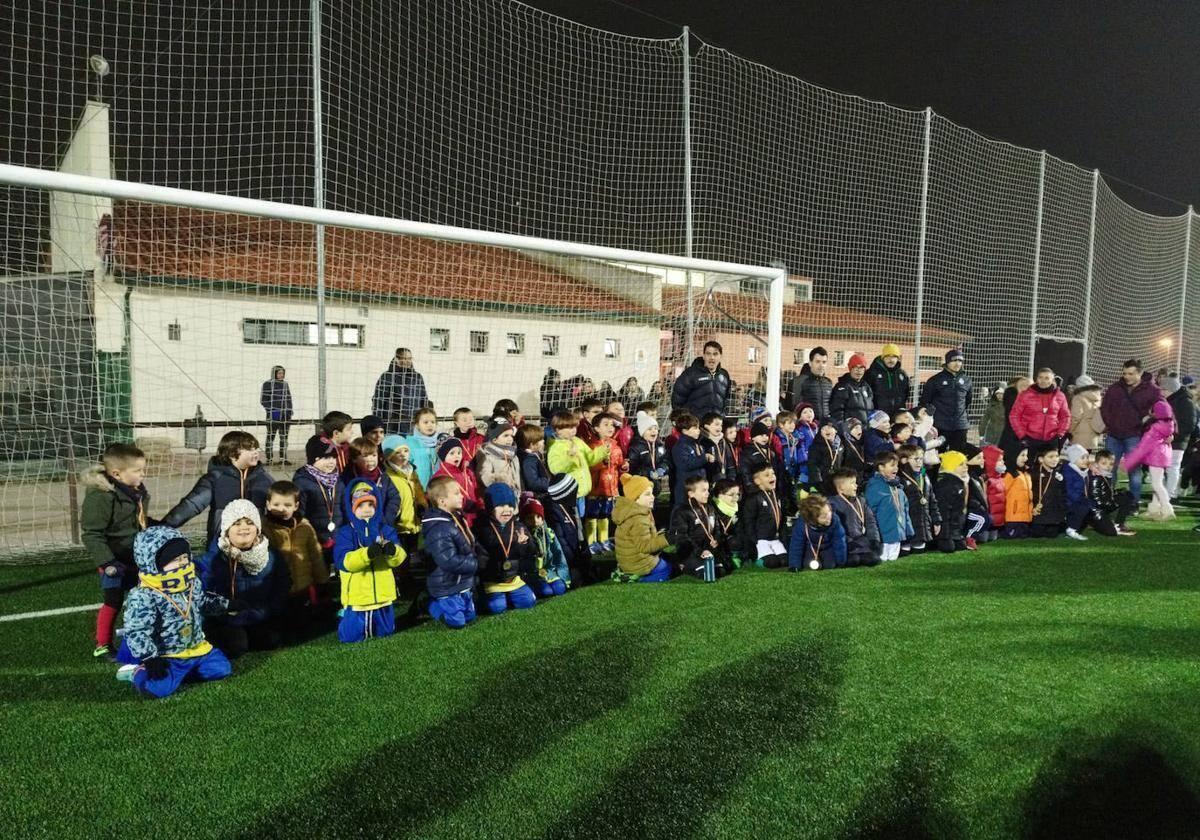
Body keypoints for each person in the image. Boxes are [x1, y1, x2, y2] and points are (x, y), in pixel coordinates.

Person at [116, 526, 232, 698]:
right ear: (154, 563)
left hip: (196, 648)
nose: (183, 563)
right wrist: (150, 657)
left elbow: (202, 602)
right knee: (156, 689)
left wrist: (226, 605)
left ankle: (181, 674)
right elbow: (137, 630)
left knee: (222, 669)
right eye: (175, 560)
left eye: (185, 557)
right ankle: (136, 672)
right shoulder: (144, 594)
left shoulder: (192, 582)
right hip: (167, 654)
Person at [82, 443, 150, 658]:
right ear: (117, 473)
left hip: (135, 556)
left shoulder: (135, 492)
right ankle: (103, 644)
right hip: (113, 561)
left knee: (144, 596)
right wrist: (107, 562)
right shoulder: (101, 495)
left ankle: (143, 636)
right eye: (137, 470)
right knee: (113, 600)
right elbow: (92, 533)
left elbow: (136, 523)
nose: (142, 474)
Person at [199, 500, 290, 657]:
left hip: (259, 615)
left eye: (249, 523)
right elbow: (203, 592)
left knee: (271, 640)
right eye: (236, 524)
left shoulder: (272, 556)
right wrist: (224, 613)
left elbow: (282, 587)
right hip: (226, 618)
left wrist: (264, 611)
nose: (244, 528)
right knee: (236, 645)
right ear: (227, 530)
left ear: (257, 528)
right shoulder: (214, 558)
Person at [162, 430, 274, 544]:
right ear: (232, 454)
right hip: (221, 545)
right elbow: (192, 505)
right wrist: (163, 526)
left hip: (255, 545)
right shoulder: (215, 478)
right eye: (249, 449)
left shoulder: (263, 478)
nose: (255, 452)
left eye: (256, 448)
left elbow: (279, 504)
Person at [333, 482, 406, 642]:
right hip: (358, 597)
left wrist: (392, 551)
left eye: (370, 504)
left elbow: (400, 558)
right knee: (350, 637)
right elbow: (343, 562)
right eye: (361, 506)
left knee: (386, 633)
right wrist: (367, 554)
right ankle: (344, 616)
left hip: (384, 594)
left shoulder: (385, 529)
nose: (367, 509)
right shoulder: (346, 532)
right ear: (351, 508)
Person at [261, 480, 328, 627]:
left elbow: (315, 555)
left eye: (287, 505)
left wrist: (322, 581)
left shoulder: (305, 526)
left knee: (305, 625)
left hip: (303, 586)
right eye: (276, 505)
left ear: (296, 506)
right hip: (278, 590)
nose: (282, 509)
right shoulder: (264, 528)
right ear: (268, 505)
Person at [1099, 359, 1162, 505]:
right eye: (1125, 373)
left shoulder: (1152, 390)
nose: (1127, 376)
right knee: (1108, 469)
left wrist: (1146, 427)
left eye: (1131, 373)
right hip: (1114, 435)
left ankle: (1133, 503)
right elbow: (1105, 408)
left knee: (1134, 472)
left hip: (1135, 436)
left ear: (1140, 373)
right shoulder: (1114, 388)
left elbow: (1162, 411)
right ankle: (1108, 501)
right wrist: (1111, 424)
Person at [422, 476, 480, 629]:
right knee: (457, 622)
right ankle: (430, 603)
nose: (462, 496)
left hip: (461, 581)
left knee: (470, 617)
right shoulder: (439, 529)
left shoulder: (456, 518)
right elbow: (448, 561)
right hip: (446, 584)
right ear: (442, 501)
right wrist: (476, 563)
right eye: (456, 493)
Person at [475, 483, 538, 614]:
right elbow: (492, 550)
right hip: (493, 581)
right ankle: (493, 598)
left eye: (510, 505)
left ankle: (510, 596)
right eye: (501, 506)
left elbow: (532, 550)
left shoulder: (519, 526)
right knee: (497, 607)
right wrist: (516, 545)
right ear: (490, 508)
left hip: (513, 578)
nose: (507, 510)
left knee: (529, 601)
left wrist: (525, 544)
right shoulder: (483, 528)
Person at [1122, 399, 1176, 520]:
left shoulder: (1154, 428)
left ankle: (1167, 509)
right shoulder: (1169, 424)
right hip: (1163, 455)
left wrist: (1128, 462)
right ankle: (1154, 509)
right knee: (1158, 482)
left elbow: (1142, 448)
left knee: (1156, 484)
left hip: (1156, 457)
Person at [668, 475, 731, 579]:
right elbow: (681, 537)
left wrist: (716, 540)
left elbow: (717, 529)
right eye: (703, 490)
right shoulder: (681, 511)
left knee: (722, 570)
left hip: (709, 550)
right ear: (691, 493)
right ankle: (681, 565)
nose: (708, 493)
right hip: (690, 551)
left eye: (708, 490)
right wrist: (699, 551)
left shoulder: (710, 507)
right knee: (706, 573)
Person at [546, 409, 608, 515]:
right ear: (558, 429)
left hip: (582, 491)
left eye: (574, 427)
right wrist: (569, 458)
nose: (573, 430)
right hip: (570, 492)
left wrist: (602, 451)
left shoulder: (577, 441)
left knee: (582, 517)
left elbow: (590, 459)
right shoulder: (555, 447)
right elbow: (555, 468)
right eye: (569, 427)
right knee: (575, 520)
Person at [613, 473, 673, 582]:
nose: (653, 497)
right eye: (647, 494)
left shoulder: (631, 512)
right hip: (639, 565)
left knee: (669, 558)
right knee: (669, 568)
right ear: (636, 498)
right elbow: (644, 546)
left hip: (630, 562)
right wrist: (668, 538)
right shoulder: (638, 519)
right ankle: (640, 579)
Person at [334, 437, 400, 527]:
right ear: (354, 459)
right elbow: (342, 504)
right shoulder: (346, 479)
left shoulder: (383, 477)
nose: (371, 459)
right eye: (365, 456)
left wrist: (386, 520)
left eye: (374, 455)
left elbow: (394, 497)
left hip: (380, 525)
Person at [293, 436, 341, 558]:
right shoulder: (303, 482)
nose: (331, 462)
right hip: (315, 539)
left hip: (338, 537)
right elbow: (300, 514)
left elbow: (344, 508)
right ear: (313, 459)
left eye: (334, 457)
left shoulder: (338, 480)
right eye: (326, 458)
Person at [585, 413, 624, 553]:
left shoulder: (615, 446)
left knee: (605, 514)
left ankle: (604, 540)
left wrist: (624, 465)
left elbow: (619, 463)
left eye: (612, 425)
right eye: (606, 425)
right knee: (593, 514)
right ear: (596, 428)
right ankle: (591, 542)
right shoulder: (592, 446)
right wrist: (602, 463)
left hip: (610, 488)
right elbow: (589, 464)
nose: (610, 428)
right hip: (596, 488)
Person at [920, 349, 973, 451]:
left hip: (960, 426)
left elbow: (967, 401)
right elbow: (925, 401)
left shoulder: (967, 380)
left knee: (958, 456)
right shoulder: (935, 380)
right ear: (947, 362)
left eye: (960, 360)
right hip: (940, 426)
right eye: (954, 360)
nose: (957, 363)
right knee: (937, 457)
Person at [739, 461, 789, 568]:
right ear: (757, 481)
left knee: (785, 561)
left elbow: (782, 520)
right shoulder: (753, 498)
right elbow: (749, 523)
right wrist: (755, 543)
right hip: (761, 541)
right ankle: (756, 559)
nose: (772, 477)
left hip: (775, 539)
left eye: (773, 474)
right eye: (767, 475)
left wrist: (783, 539)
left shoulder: (777, 496)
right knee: (773, 563)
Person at [1009, 367, 1071, 454]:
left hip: (1052, 439)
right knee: (1029, 466)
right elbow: (1014, 415)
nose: (1043, 380)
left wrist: (1060, 434)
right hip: (1029, 438)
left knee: (1050, 466)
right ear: (1036, 379)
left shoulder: (1060, 396)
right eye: (1040, 377)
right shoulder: (1025, 395)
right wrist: (1022, 435)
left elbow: (1065, 416)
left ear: (1052, 380)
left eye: (1046, 378)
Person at [865, 452, 912, 562]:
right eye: (892, 465)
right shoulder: (875, 486)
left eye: (897, 465)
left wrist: (908, 529)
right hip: (883, 535)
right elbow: (870, 511)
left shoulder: (898, 488)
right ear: (881, 467)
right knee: (882, 559)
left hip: (897, 533)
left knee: (893, 560)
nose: (896, 468)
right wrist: (873, 533)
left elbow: (905, 510)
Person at [828, 468, 881, 566]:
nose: (856, 486)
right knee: (854, 560)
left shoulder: (861, 501)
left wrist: (874, 539)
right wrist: (849, 541)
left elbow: (871, 522)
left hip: (862, 541)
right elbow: (834, 529)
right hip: (844, 543)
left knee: (873, 560)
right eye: (852, 483)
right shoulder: (832, 503)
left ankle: (861, 552)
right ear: (841, 487)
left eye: (856, 482)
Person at [371, 348, 430, 435]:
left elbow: (423, 399)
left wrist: (425, 419)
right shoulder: (387, 376)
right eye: (404, 358)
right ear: (397, 359)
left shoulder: (417, 377)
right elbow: (378, 401)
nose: (407, 361)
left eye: (409, 358)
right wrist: (378, 424)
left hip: (413, 425)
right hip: (392, 425)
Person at [520, 497, 570, 595]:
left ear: (542, 518)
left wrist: (563, 575)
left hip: (549, 571)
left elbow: (558, 553)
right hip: (532, 574)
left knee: (560, 588)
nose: (535, 521)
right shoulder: (522, 536)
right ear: (524, 519)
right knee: (546, 591)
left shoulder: (549, 533)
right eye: (530, 518)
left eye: (538, 517)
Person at [672, 340, 733, 419]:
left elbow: (726, 400)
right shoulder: (690, 374)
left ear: (720, 356)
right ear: (703, 356)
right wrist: (686, 422)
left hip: (715, 425)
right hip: (695, 426)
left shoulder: (724, 375)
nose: (712, 357)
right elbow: (677, 401)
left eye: (715, 354)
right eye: (708, 354)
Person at [788, 494, 848, 571]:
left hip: (827, 547)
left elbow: (839, 540)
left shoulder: (835, 520)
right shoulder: (802, 525)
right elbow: (796, 545)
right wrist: (794, 565)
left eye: (829, 511)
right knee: (809, 565)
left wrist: (841, 561)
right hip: (810, 547)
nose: (829, 516)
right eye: (823, 517)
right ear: (813, 520)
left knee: (830, 565)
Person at [897, 444, 939, 553]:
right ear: (904, 460)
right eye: (916, 459)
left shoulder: (924, 476)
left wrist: (936, 520)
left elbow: (932, 500)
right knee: (905, 552)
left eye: (921, 458)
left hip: (922, 527)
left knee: (920, 550)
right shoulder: (899, 479)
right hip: (906, 529)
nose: (919, 462)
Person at [431, 438, 481, 527]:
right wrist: (465, 503)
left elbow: (475, 490)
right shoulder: (440, 476)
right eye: (452, 453)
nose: (457, 456)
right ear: (444, 456)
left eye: (459, 453)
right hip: (456, 520)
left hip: (475, 516)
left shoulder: (467, 472)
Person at [380, 435, 422, 542]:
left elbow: (419, 493)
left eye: (406, 451)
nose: (403, 455)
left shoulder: (412, 472)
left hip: (415, 525)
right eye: (397, 452)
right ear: (389, 456)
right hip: (399, 527)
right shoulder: (387, 476)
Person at [1089, 449, 1137, 536]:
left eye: (1110, 464)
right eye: (1104, 463)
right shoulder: (1096, 477)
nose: (1107, 466)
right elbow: (1096, 499)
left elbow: (1106, 492)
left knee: (1127, 496)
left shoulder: (1106, 475)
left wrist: (1117, 492)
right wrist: (1111, 504)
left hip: (1106, 503)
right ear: (1096, 464)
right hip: (1098, 508)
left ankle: (1119, 523)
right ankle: (1113, 523)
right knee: (1111, 532)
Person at [1162, 373, 1195, 498]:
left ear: (1172, 389)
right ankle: (1165, 493)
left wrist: (1174, 435)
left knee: (1173, 467)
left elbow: (1189, 424)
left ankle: (1170, 494)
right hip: (1166, 440)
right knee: (1165, 468)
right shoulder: (1170, 400)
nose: (1162, 392)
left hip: (1178, 441)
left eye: (1165, 389)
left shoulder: (1185, 401)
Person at [934, 451, 969, 552]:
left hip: (955, 526)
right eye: (961, 464)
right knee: (949, 548)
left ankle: (955, 536)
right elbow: (943, 510)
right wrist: (945, 534)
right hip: (945, 527)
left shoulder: (958, 482)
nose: (965, 467)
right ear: (951, 466)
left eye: (965, 464)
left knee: (960, 546)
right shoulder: (947, 484)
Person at [475, 418, 522, 495]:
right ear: (494, 439)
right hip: (498, 498)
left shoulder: (513, 456)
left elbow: (517, 477)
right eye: (506, 436)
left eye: (511, 435)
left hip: (515, 497)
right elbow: (483, 477)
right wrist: (499, 478)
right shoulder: (488, 457)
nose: (510, 439)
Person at [671, 413, 710, 506]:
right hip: (686, 488)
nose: (698, 431)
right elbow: (685, 464)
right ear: (685, 431)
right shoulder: (680, 447)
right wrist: (704, 458)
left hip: (698, 486)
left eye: (698, 428)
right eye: (695, 428)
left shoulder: (698, 444)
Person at [1029, 446, 1067, 538]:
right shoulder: (1034, 473)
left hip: (1053, 514)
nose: (1055, 459)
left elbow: (1062, 493)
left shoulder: (1059, 473)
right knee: (1037, 533)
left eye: (1057, 456)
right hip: (1038, 512)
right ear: (1041, 459)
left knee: (1052, 534)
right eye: (1051, 457)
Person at [788, 347, 834, 422]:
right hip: (807, 426)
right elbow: (793, 407)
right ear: (810, 363)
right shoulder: (800, 382)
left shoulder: (828, 383)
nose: (821, 365)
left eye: (824, 362)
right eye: (817, 361)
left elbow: (831, 406)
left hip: (825, 427)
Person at [260, 365, 294, 465]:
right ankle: (269, 459)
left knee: (284, 437)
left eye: (283, 373)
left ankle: (283, 458)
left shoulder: (285, 384)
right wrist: (272, 410)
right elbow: (263, 400)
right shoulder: (267, 384)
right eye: (279, 373)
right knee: (271, 436)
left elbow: (289, 398)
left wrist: (289, 410)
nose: (281, 375)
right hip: (273, 414)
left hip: (285, 415)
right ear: (274, 373)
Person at [829, 353, 875, 426]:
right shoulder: (843, 386)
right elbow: (837, 410)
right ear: (850, 368)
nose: (858, 371)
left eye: (861, 368)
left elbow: (872, 409)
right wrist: (843, 427)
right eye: (855, 367)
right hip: (851, 430)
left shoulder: (866, 387)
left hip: (866, 430)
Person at [867, 344, 910, 418]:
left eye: (894, 357)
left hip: (898, 415)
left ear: (898, 358)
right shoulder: (872, 373)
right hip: (879, 416)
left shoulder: (902, 374)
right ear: (883, 358)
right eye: (888, 356)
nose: (891, 360)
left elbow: (906, 394)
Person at [405, 407, 442, 489]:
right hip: (418, 489)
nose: (430, 425)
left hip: (437, 488)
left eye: (433, 422)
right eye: (425, 422)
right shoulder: (410, 443)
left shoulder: (441, 441)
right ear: (417, 425)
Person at [1068, 375, 1106, 451]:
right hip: (1093, 434)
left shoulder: (1078, 398)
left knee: (1077, 460)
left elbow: (1076, 417)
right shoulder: (1098, 397)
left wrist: (1070, 430)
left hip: (1080, 435)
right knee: (1086, 459)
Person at [1002, 447, 1032, 539]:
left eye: (1026, 455)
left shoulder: (1025, 474)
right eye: (1022, 455)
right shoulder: (1010, 474)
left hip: (1025, 517)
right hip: (1012, 518)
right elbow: (1002, 493)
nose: (1026, 458)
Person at [517, 424, 552, 500]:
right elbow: (533, 482)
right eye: (540, 439)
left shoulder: (531, 455)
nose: (543, 441)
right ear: (531, 444)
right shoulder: (529, 460)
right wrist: (549, 483)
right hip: (537, 496)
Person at [807, 420, 843, 493]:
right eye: (823, 429)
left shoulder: (841, 445)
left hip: (836, 480)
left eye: (829, 427)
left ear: (836, 430)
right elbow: (813, 464)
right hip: (822, 482)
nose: (826, 430)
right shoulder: (815, 446)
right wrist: (818, 482)